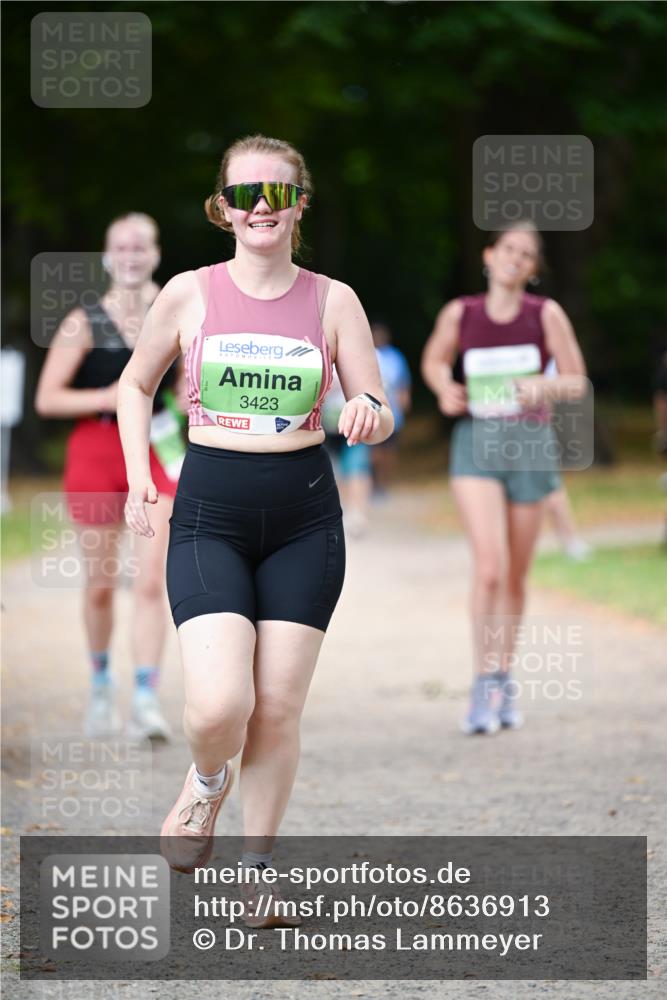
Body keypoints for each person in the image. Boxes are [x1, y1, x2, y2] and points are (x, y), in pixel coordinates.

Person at [117, 135, 393, 924]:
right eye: (245, 194)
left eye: (276, 192)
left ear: (299, 203)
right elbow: (135, 387)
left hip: (305, 516)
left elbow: (372, 403)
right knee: (216, 708)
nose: (260, 208)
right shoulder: (188, 292)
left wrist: (367, 415)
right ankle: (206, 782)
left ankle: (258, 869)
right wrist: (142, 476)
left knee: (274, 707)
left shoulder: (332, 299)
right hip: (209, 514)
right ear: (223, 207)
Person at [421, 221, 586, 734]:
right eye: (508, 249)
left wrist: (543, 386)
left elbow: (576, 382)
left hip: (530, 445)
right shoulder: (461, 313)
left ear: (533, 269)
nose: (516, 258)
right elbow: (434, 361)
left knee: (514, 573)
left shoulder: (546, 314)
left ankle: (504, 674)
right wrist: (444, 387)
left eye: (527, 254)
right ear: (489, 255)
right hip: (477, 444)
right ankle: (481, 684)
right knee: (489, 568)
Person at [35, 213, 182, 742]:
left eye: (140, 246)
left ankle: (145, 698)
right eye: (121, 247)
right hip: (97, 450)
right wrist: (119, 396)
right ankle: (101, 684)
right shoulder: (84, 320)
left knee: (150, 582)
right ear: (106, 256)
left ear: (156, 253)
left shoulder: (177, 313)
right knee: (100, 586)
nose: (131, 255)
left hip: (160, 448)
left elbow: (189, 392)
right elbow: (48, 398)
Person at [321, 366, 373, 537]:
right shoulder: (318, 353)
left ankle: (358, 514)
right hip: (326, 426)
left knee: (357, 468)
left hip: (353, 424)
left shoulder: (364, 355)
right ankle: (343, 512)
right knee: (336, 471)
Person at [371, 320, 412, 496]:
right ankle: (373, 482)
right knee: (373, 452)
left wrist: (403, 406)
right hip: (372, 413)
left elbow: (403, 383)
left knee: (389, 452)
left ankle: (383, 484)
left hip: (393, 413)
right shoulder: (367, 354)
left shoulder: (396, 356)